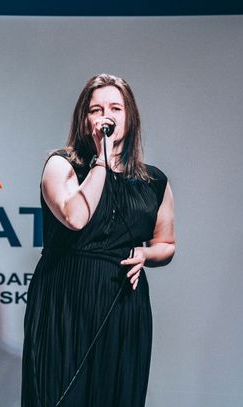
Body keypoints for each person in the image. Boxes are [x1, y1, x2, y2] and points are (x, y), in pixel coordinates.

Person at [21, 73, 175, 407]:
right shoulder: (62, 165)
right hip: (65, 301)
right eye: (96, 109)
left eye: (115, 108)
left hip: (122, 304)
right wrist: (102, 162)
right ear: (85, 119)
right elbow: (76, 217)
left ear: (129, 117)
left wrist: (146, 255)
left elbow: (166, 244)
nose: (106, 116)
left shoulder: (153, 181)